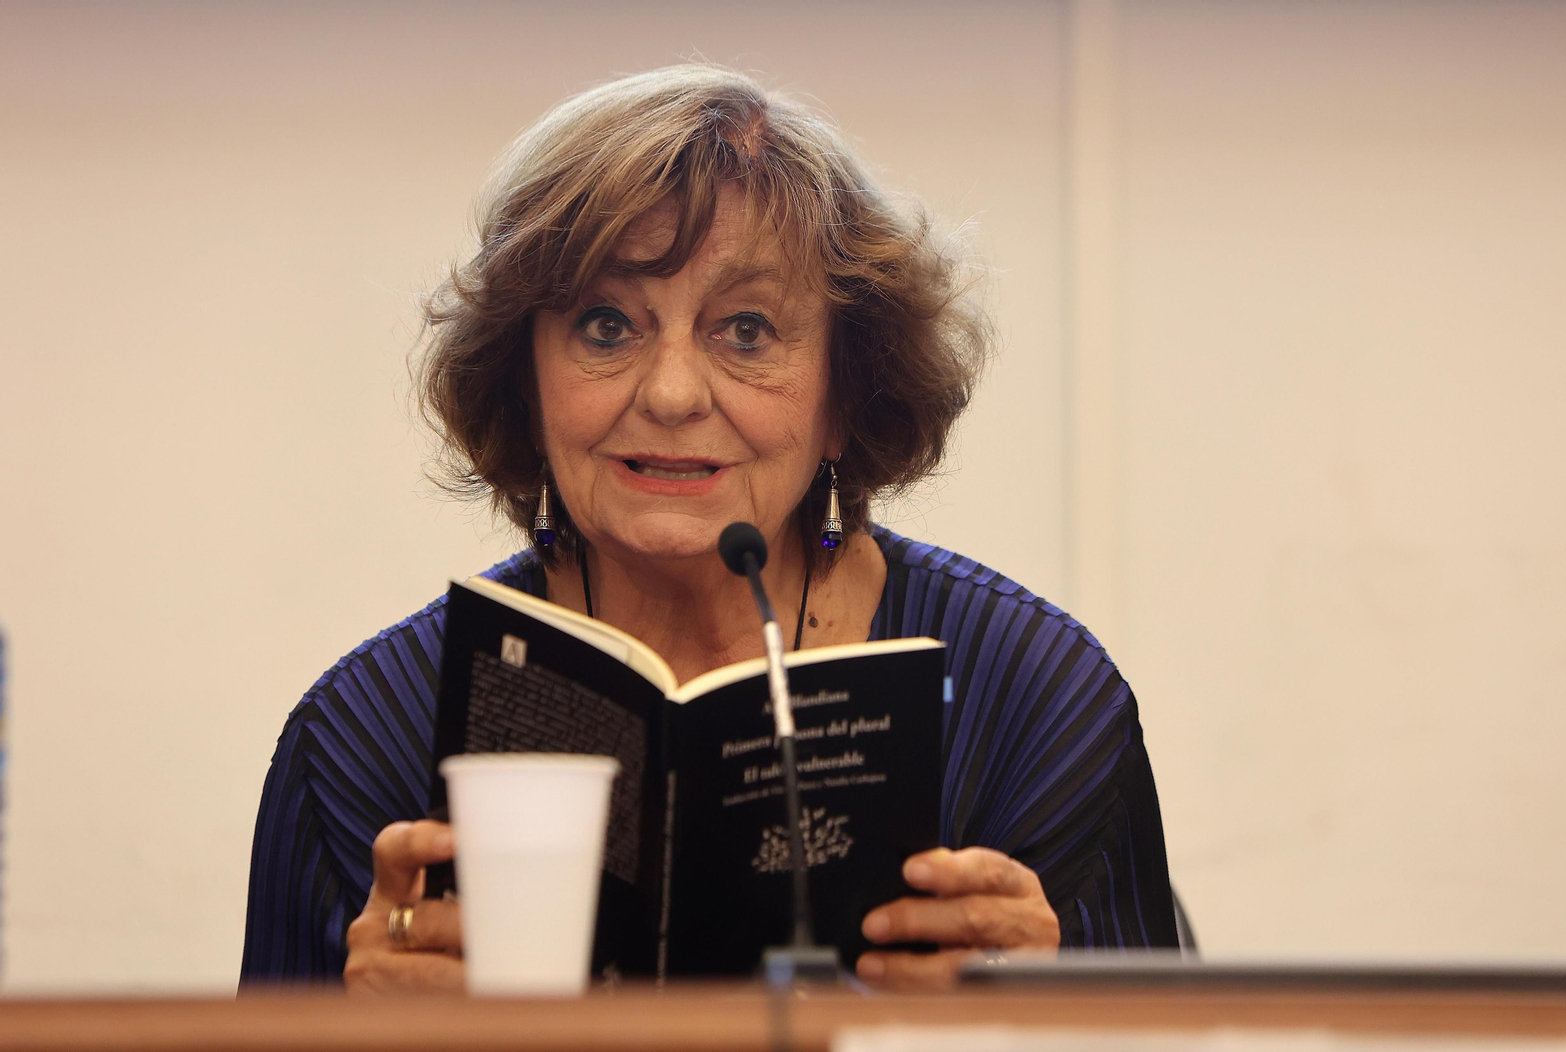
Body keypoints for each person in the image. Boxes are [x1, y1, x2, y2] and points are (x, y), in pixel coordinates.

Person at [241, 64, 1178, 993]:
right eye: (607, 327)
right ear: (524, 384)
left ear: (847, 391)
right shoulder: (364, 739)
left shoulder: (1035, 702)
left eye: (747, 331)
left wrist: (1049, 1018)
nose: (673, 393)